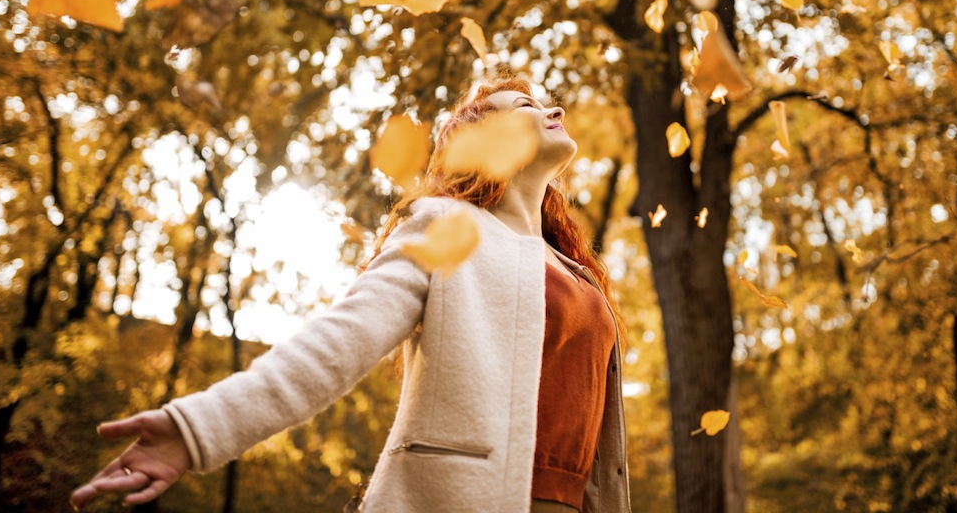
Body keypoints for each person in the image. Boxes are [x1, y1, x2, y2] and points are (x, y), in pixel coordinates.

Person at [70, 77, 632, 513]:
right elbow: (336, 344)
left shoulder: (574, 269)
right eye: (526, 106)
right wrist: (197, 429)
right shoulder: (445, 227)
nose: (554, 111)